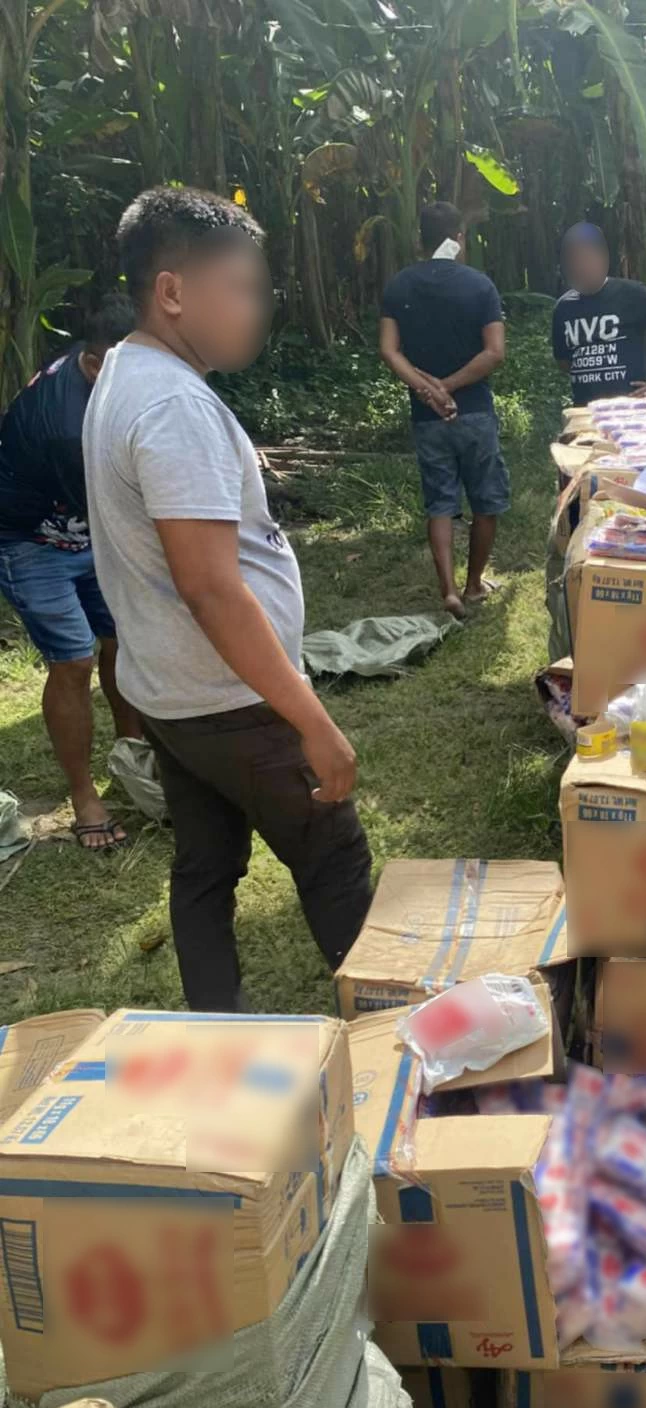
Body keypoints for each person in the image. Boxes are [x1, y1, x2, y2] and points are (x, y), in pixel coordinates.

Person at [84, 186, 372, 1012]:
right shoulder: (173, 404)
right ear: (173, 292)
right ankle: (397, 1047)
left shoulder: (128, 373)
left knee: (205, 869)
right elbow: (210, 587)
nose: (258, 309)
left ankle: (216, 1029)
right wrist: (313, 720)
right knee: (333, 860)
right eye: (242, 288)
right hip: (234, 699)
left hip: (171, 693)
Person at [0, 296, 141, 850]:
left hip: (84, 529)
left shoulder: (114, 363)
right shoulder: (68, 424)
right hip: (26, 539)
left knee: (122, 640)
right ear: (91, 360)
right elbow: (123, 506)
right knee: (75, 658)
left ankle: (133, 753)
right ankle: (85, 795)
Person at [379, 201, 509, 620]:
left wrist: (427, 389)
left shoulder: (399, 286)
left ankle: (447, 590)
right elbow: (495, 353)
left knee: (440, 502)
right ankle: (473, 585)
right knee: (484, 500)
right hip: (474, 411)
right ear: (460, 238)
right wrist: (450, 386)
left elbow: (389, 351)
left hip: (427, 417)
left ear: (419, 238)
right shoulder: (480, 286)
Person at [551, 223, 646, 405]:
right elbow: (564, 362)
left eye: (587, 258)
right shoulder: (563, 308)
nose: (581, 266)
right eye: (575, 260)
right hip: (585, 411)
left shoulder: (631, 294)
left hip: (632, 409)